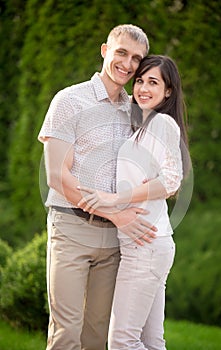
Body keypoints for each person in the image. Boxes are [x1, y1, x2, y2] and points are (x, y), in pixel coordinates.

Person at [38, 24, 157, 350]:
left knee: (98, 334)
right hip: (71, 228)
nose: (128, 63)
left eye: (137, 58)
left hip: (114, 240)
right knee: (67, 333)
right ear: (105, 51)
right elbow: (57, 176)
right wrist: (120, 216)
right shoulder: (69, 100)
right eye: (121, 52)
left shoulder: (135, 111)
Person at [77, 55, 190, 349]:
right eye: (140, 80)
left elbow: (171, 181)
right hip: (147, 245)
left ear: (168, 91)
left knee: (122, 342)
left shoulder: (162, 123)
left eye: (153, 82)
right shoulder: (143, 127)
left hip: (146, 246)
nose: (142, 88)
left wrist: (116, 198)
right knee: (151, 341)